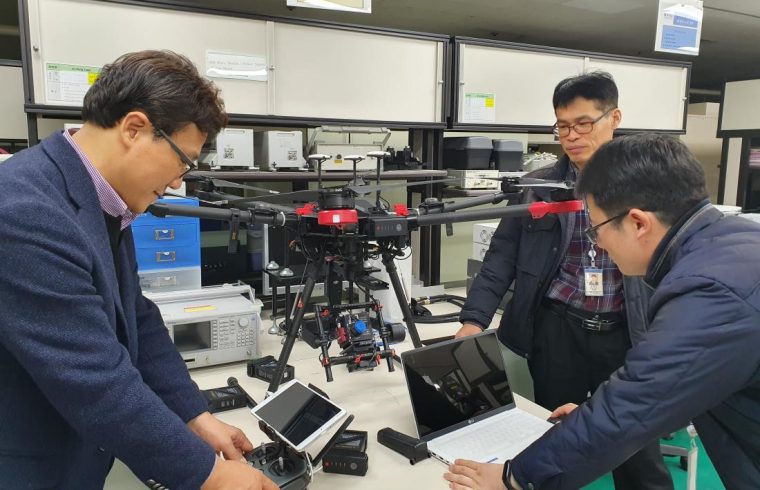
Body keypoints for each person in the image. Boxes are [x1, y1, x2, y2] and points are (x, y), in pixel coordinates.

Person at [0, 50, 277, 490]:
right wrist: (208, 474)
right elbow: (94, 380)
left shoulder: (99, 197)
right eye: (183, 161)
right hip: (31, 468)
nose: (177, 183)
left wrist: (196, 416)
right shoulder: (25, 211)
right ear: (134, 129)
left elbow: (136, 316)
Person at [445, 133, 760, 489]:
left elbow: (634, 406)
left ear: (639, 223)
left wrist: (512, 479)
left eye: (597, 229)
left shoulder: (710, 291)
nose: (599, 244)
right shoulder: (734, 242)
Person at [456, 72, 671, 488]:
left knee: (637, 454)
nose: (571, 136)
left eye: (583, 123)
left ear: (615, 118)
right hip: (556, 333)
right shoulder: (538, 188)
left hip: (626, 336)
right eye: (562, 126)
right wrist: (474, 320)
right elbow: (500, 256)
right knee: (550, 443)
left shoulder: (647, 188)